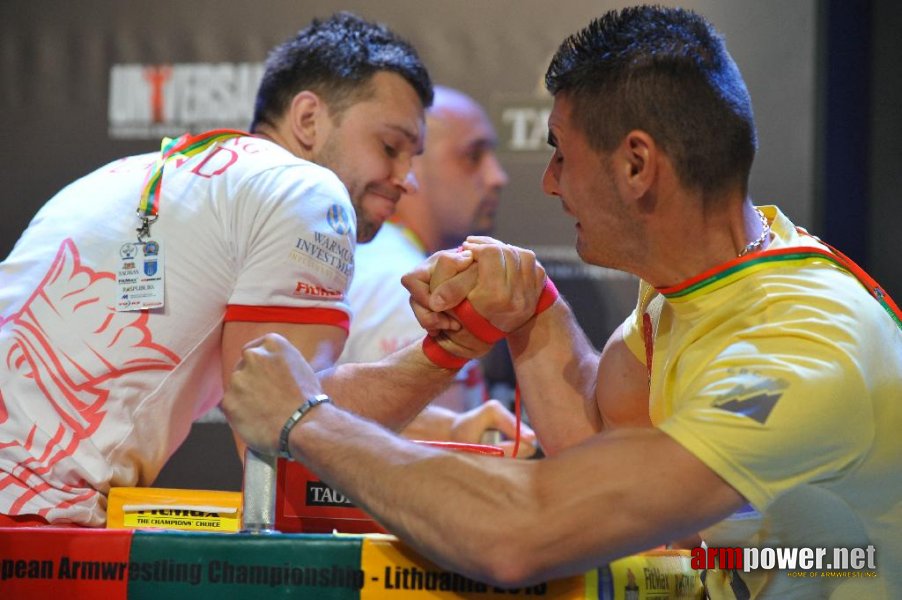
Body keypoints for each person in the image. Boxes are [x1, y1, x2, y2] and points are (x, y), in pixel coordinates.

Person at [222, 5, 902, 598]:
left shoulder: (804, 339)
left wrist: (304, 419)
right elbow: (612, 473)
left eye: (560, 155)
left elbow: (524, 533)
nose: (546, 184)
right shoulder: (691, 295)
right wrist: (529, 310)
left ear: (637, 166)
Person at [0, 12, 460, 527]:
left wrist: (449, 429)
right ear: (308, 119)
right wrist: (449, 348)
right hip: (35, 528)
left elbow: (294, 409)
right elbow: (285, 440)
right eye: (390, 147)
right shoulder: (306, 191)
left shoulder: (122, 175)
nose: (407, 179)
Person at [338, 85, 532, 452]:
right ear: (412, 163)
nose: (496, 177)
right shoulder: (407, 288)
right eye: (472, 156)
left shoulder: (381, 260)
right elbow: (430, 469)